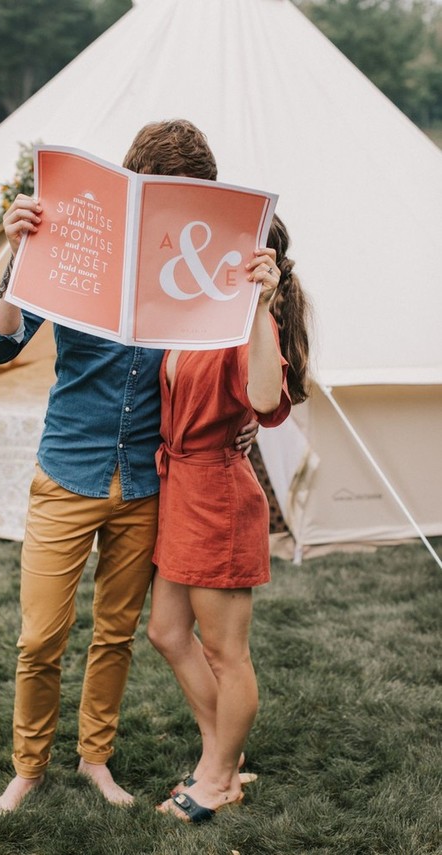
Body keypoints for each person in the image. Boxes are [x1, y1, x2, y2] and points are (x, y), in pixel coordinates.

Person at [0, 119, 257, 818]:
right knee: (41, 636)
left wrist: (242, 415)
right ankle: (27, 769)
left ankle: (94, 757)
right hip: (68, 469)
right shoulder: (74, 242)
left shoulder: (199, 265)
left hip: (147, 481)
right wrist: (17, 257)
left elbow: (230, 362)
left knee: (116, 633)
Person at [145, 195, 311, 822]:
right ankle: (224, 752)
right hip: (181, 486)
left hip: (217, 494)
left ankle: (218, 779)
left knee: (225, 653)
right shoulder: (204, 308)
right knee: (166, 631)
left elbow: (268, 397)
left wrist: (263, 307)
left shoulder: (252, 319)